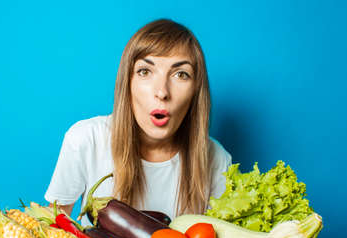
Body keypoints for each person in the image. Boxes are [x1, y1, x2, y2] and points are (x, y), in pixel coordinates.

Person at [44, 19, 232, 226]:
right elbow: (52, 227)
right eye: (145, 71)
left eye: (181, 74)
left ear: (196, 91)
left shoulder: (217, 160)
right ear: (128, 83)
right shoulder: (86, 139)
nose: (162, 92)